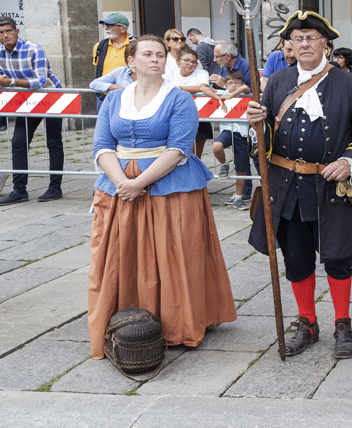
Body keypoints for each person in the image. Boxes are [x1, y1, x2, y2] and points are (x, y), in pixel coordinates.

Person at [88, 34, 236, 358]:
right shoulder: (114, 100)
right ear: (131, 61)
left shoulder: (179, 99)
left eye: (159, 54)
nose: (155, 59)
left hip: (169, 187)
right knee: (121, 256)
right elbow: (102, 146)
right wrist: (121, 182)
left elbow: (179, 148)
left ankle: (176, 322)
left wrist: (139, 181)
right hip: (120, 188)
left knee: (174, 254)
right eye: (147, 54)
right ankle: (126, 319)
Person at [246, 11, 352, 359]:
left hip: (329, 187)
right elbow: (263, 144)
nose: (304, 44)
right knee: (297, 258)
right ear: (289, 45)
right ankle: (307, 322)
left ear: (325, 44)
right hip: (286, 186)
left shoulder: (348, 83)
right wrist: (256, 126)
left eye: (311, 38)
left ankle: (343, 324)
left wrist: (348, 162)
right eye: (297, 39)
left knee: (337, 256)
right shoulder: (276, 82)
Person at [0, 17, 64, 204]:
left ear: (17, 31)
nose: (5, 35)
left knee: (53, 142)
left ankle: (55, 187)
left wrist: (10, 82)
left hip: (51, 97)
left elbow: (40, 81)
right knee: (18, 142)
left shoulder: (35, 49)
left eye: (8, 31)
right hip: (26, 100)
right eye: (1, 32)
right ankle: (20, 190)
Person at [210, 69, 253, 210]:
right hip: (228, 130)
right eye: (231, 83)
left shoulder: (245, 93)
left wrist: (231, 96)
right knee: (216, 146)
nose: (234, 85)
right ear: (225, 85)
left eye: (237, 83)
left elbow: (246, 88)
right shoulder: (222, 92)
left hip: (242, 133)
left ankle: (238, 196)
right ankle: (224, 164)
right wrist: (219, 98)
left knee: (241, 167)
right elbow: (204, 88)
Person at [165, 47, 217, 156]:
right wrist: (194, 88)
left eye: (194, 62)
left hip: (199, 115)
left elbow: (203, 87)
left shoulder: (202, 73)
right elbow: (164, 87)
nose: (190, 64)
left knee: (195, 152)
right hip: (176, 114)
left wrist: (179, 88)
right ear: (178, 61)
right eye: (187, 60)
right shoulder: (170, 73)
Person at [93, 13, 132, 78]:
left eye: (110, 25)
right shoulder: (99, 46)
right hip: (105, 87)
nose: (106, 28)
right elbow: (97, 68)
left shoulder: (135, 45)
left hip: (128, 87)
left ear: (123, 29)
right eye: (105, 25)